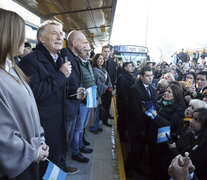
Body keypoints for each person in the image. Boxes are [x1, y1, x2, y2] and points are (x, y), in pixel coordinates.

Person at [20, 20, 78, 176]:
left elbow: (58, 90)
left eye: (61, 34)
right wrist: (60, 75)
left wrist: (74, 92)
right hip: (43, 129)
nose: (60, 37)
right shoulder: (29, 62)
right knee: (44, 169)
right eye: (54, 33)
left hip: (60, 124)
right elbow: (34, 93)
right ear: (42, 39)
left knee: (56, 166)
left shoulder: (60, 59)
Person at [0, 9, 49, 180]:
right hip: (16, 167)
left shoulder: (12, 68)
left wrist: (40, 139)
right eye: (22, 33)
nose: (26, 39)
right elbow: (3, 136)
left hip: (29, 156)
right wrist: (32, 153)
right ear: (8, 35)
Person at [126, 66, 158, 178]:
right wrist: (142, 128)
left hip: (148, 125)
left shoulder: (151, 87)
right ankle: (129, 169)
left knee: (141, 148)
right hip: (137, 126)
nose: (150, 78)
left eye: (152, 75)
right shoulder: (135, 89)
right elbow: (135, 111)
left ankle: (136, 166)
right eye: (148, 76)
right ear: (141, 76)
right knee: (136, 148)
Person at [62, 30, 87, 164]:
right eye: (83, 43)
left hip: (73, 106)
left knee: (68, 138)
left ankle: (63, 163)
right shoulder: (65, 58)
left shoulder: (74, 58)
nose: (85, 46)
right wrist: (74, 92)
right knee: (63, 140)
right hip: (66, 108)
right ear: (74, 43)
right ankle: (60, 165)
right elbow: (62, 84)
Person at [71, 42, 94, 163]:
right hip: (82, 99)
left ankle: (80, 145)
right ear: (79, 51)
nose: (87, 53)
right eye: (85, 50)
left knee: (83, 125)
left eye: (89, 50)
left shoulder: (88, 63)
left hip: (89, 97)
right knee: (78, 128)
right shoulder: (77, 63)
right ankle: (75, 151)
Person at [169, 108, 207, 180]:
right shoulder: (192, 133)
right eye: (192, 117)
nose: (191, 121)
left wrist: (174, 149)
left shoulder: (204, 144)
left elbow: (191, 165)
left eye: (196, 120)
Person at [90, 53, 111, 131]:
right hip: (96, 93)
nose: (102, 60)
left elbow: (108, 79)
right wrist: (107, 87)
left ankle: (97, 126)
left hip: (101, 93)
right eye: (99, 58)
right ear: (96, 60)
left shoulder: (103, 69)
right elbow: (97, 82)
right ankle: (93, 127)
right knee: (95, 111)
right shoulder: (95, 70)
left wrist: (110, 86)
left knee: (98, 110)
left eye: (102, 59)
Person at [116, 62, 136, 142]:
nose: (132, 67)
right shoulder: (121, 77)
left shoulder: (131, 76)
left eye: (132, 66)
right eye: (130, 66)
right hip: (123, 103)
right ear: (125, 67)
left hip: (128, 103)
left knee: (126, 119)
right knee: (122, 119)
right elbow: (121, 91)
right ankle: (121, 136)